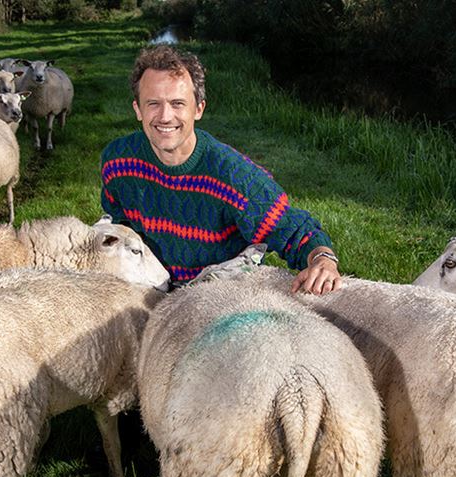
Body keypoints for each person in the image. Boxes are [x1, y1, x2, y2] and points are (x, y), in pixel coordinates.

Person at [100, 46, 342, 294]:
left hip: (216, 293)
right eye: (153, 103)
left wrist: (323, 260)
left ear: (198, 109)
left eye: (177, 103)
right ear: (138, 109)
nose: (165, 116)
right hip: (148, 285)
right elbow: (118, 222)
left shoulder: (234, 177)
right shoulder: (118, 161)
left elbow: (294, 231)